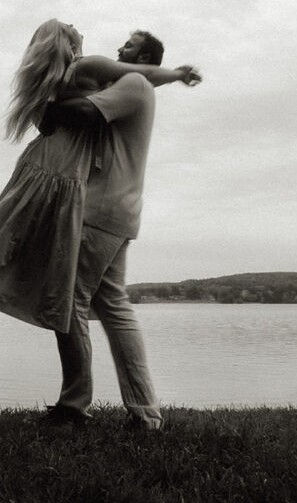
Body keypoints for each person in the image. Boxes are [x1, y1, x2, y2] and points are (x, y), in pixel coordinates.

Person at [0, 20, 200, 378]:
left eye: (128, 45)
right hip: (59, 174)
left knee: (5, 243)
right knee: (5, 244)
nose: (79, 27)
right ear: (67, 43)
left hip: (45, 165)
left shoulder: (53, 80)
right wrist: (177, 74)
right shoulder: (88, 66)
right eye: (72, 27)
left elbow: (64, 115)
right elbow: (142, 73)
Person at [40, 29, 192, 431]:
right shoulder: (137, 83)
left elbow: (87, 111)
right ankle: (145, 414)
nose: (118, 49)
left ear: (141, 56)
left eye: (127, 45)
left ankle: (73, 406)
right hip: (118, 211)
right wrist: (176, 75)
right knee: (113, 307)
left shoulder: (135, 83)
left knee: (71, 301)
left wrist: (51, 105)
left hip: (101, 210)